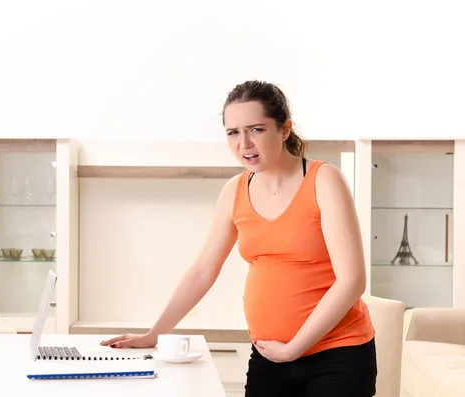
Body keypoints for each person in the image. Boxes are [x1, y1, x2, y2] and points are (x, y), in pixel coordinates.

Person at [100, 80, 377, 396]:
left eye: (256, 129)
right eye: (233, 132)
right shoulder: (234, 191)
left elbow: (352, 281)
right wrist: (155, 333)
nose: (244, 143)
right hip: (269, 356)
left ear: (284, 130)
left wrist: (294, 348)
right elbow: (203, 271)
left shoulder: (324, 180)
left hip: (337, 355)